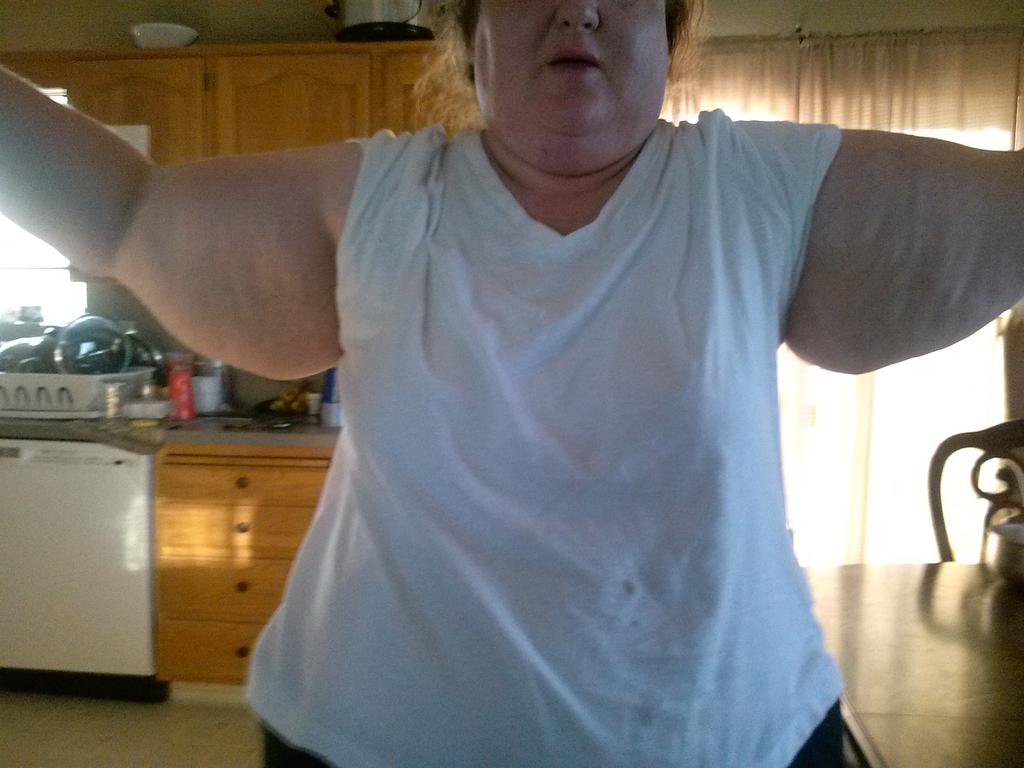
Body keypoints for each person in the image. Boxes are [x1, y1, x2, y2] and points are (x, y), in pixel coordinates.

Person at [2, 0, 1022, 765]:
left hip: (732, 743)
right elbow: (124, 214)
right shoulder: (378, 198)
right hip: (365, 742)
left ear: (667, 33)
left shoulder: (758, 186)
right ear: (469, 33)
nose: (578, 8)